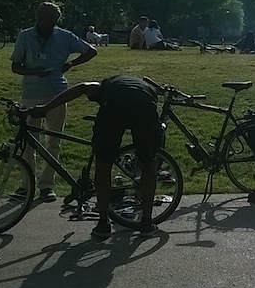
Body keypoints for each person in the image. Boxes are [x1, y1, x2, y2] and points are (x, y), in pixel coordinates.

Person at [29, 75, 161, 238]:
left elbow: (83, 86)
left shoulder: (104, 86)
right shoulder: (140, 86)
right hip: (145, 105)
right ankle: (147, 222)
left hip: (113, 106)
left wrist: (46, 108)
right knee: (148, 162)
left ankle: (103, 223)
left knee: (103, 164)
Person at [10, 2, 98, 201]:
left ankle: (47, 185)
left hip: (58, 93)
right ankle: (26, 185)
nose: (49, 22)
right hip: (32, 93)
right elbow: (15, 66)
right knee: (28, 141)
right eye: (46, 18)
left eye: (53, 19)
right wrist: (34, 71)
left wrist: (70, 64)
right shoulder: (25, 36)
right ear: (38, 17)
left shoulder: (65, 36)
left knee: (54, 142)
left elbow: (91, 51)